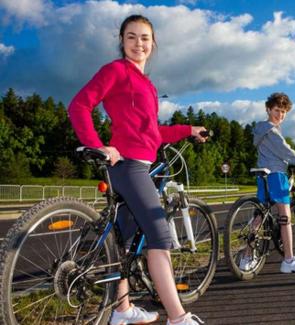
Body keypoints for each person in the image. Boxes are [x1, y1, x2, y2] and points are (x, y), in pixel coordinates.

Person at [68, 14, 204, 325]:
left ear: (153, 44)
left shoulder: (147, 84)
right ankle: (178, 317)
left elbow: (153, 133)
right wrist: (97, 144)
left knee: (125, 244)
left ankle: (122, 310)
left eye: (144, 37)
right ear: (122, 41)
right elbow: (79, 105)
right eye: (131, 37)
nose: (138, 43)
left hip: (139, 163)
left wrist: (187, 129)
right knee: (160, 238)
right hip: (127, 167)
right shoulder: (116, 70)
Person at [245, 92, 295, 273]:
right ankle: (288, 260)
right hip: (276, 175)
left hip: (263, 176)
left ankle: (246, 257)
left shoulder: (261, 130)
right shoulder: (271, 131)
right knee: (285, 218)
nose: (280, 115)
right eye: (277, 110)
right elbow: (286, 152)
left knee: (258, 218)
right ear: (268, 109)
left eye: (284, 112)